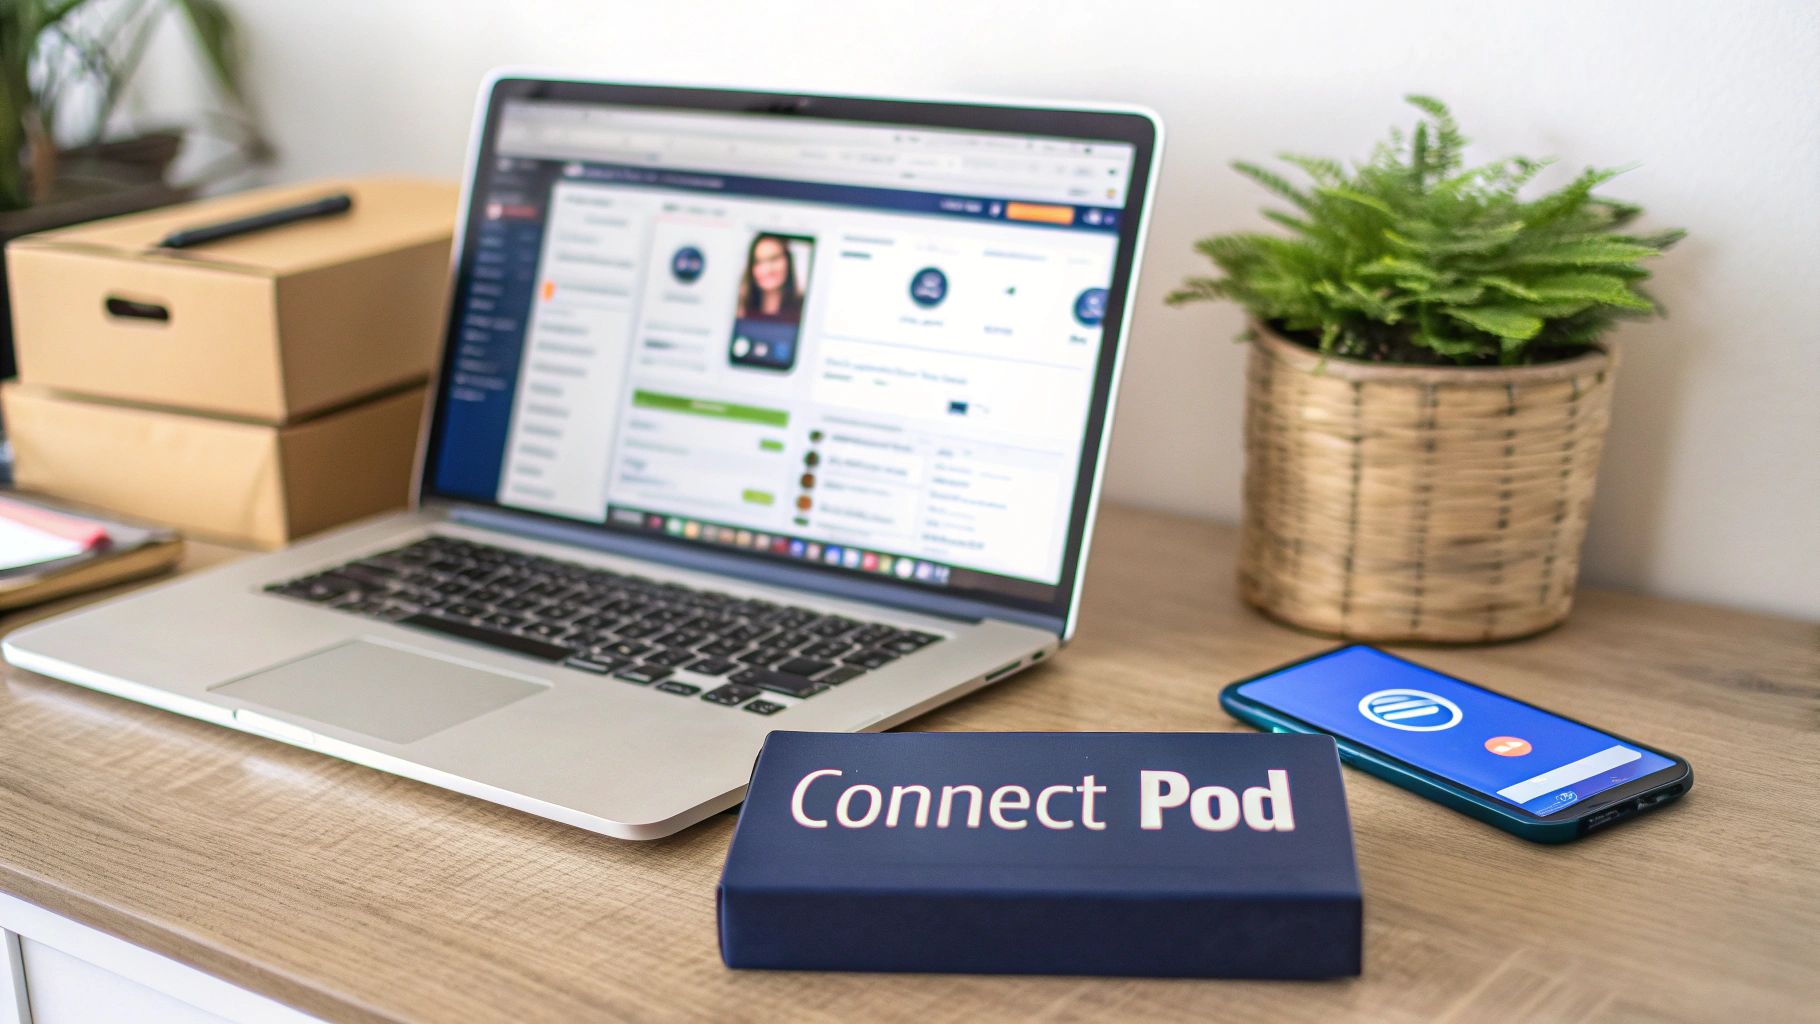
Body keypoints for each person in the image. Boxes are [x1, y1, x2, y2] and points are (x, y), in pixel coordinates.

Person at [739, 233, 804, 322]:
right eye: (758, 262)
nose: (767, 270)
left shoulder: (804, 309)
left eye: (774, 259)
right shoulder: (740, 309)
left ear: (788, 261)